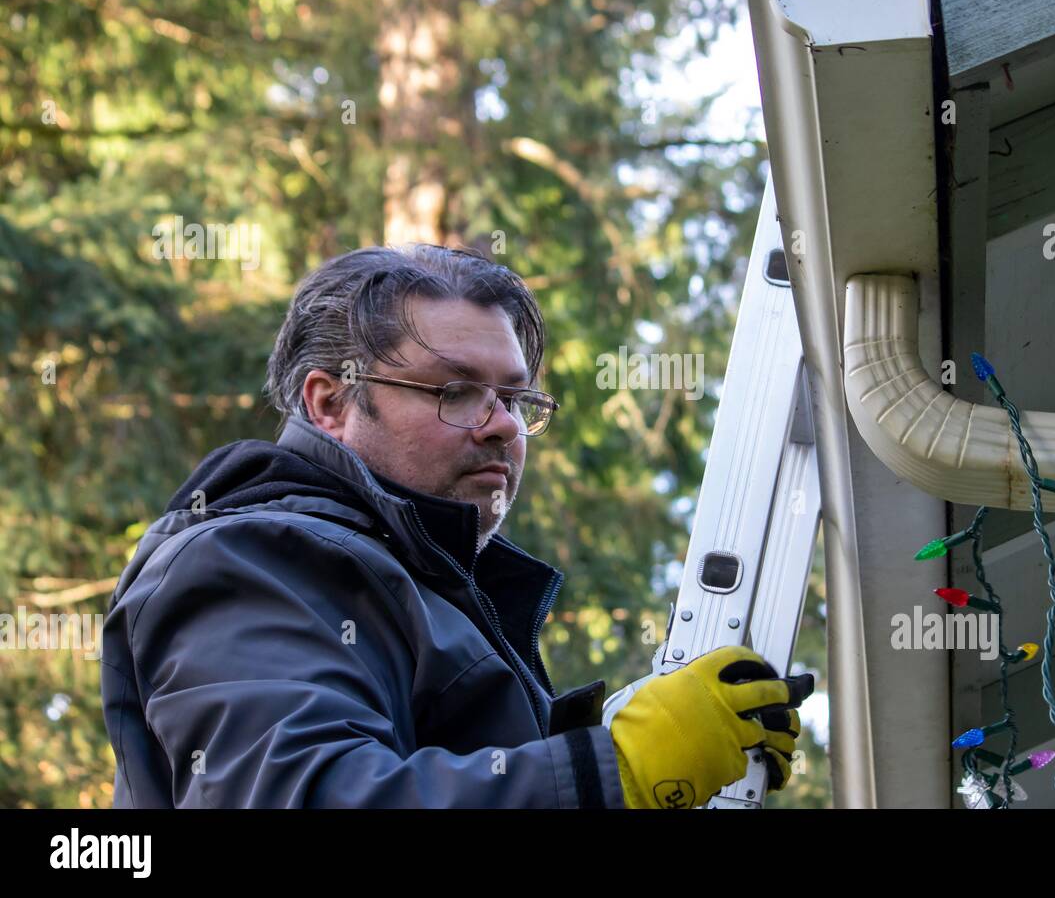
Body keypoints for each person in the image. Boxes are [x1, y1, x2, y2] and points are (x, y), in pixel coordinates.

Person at [100, 243, 810, 808]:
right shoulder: (248, 560)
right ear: (329, 404)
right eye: (454, 391)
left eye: (515, 397)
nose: (503, 425)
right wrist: (609, 772)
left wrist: (602, 740)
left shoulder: (427, 587)